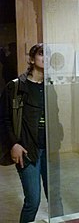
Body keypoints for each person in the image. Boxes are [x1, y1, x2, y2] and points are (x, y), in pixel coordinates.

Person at [0, 43, 63, 222]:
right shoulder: (16, 87)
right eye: (42, 54)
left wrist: (57, 137)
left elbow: (54, 115)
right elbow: (3, 119)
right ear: (32, 58)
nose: (46, 58)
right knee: (33, 201)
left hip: (50, 150)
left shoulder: (50, 86)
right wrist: (14, 144)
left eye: (49, 55)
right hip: (27, 150)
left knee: (56, 199)